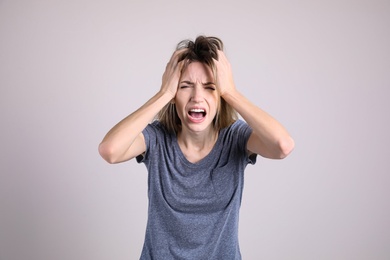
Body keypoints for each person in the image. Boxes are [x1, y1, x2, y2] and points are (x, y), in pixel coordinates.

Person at [98, 36, 294, 260]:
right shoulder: (157, 138)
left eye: (210, 88)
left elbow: (283, 145)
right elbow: (109, 150)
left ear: (219, 96)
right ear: (174, 95)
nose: (197, 97)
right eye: (185, 86)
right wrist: (163, 94)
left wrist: (231, 92)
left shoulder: (235, 137)